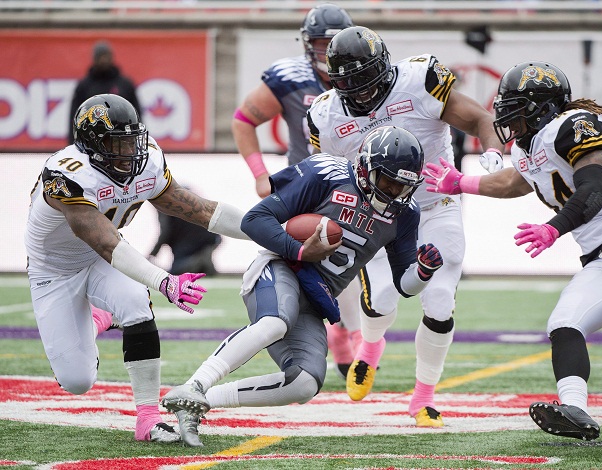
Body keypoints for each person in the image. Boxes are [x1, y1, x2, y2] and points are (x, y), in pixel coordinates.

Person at [423, 61, 602, 441]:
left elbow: (592, 189)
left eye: (514, 106)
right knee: (564, 323)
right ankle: (575, 409)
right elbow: (517, 181)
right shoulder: (529, 149)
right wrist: (463, 182)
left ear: (540, 105)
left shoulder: (576, 124)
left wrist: (552, 228)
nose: (506, 117)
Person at [161, 126, 444, 447]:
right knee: (275, 321)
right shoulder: (328, 175)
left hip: (314, 294)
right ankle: (196, 383)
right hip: (280, 266)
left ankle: (201, 402)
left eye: (403, 185)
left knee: (306, 383)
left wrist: (423, 271)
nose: (394, 192)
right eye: (388, 181)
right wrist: (297, 250)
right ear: (366, 168)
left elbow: (404, 285)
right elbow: (256, 219)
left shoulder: (406, 213)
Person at [306, 26, 504, 428]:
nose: (361, 92)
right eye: (350, 84)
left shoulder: (419, 82)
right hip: (378, 213)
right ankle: (371, 348)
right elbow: (325, 175)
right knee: (381, 298)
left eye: (367, 80)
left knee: (441, 298)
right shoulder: (325, 115)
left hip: (434, 204)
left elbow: (481, 118)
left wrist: (494, 151)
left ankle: (423, 398)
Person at [26, 93, 250, 443]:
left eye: (132, 141)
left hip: (102, 259)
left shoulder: (147, 162)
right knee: (77, 381)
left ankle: (147, 419)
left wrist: (269, 233)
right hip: (55, 270)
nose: (129, 152)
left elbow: (201, 210)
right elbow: (105, 241)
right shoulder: (65, 174)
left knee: (134, 302)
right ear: (92, 144)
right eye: (117, 143)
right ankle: (101, 317)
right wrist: (165, 281)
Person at [231, 3, 359, 377]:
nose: (327, 52)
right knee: (312, 259)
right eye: (320, 44)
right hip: (308, 187)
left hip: (356, 184)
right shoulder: (290, 77)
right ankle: (335, 332)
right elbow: (243, 120)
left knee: (358, 264)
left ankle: (357, 336)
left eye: (334, 43)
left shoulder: (369, 74)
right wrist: (259, 173)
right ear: (308, 44)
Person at [69, 41, 142, 143]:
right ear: (94, 59)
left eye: (106, 56)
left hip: (120, 138)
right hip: (92, 139)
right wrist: (73, 140)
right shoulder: (84, 86)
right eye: (100, 56)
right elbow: (75, 116)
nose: (103, 60)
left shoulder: (125, 84)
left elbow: (135, 113)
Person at [148, 209, 222, 276]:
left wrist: (153, 254)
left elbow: (166, 232)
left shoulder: (162, 203)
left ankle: (199, 261)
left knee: (175, 271)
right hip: (210, 235)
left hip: (190, 241)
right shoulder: (185, 196)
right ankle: (202, 263)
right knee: (179, 265)